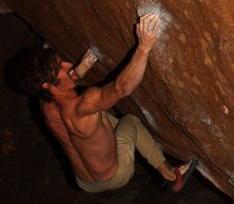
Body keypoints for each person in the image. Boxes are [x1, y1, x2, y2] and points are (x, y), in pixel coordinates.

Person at [16, 12, 197, 194]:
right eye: (60, 67)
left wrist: (82, 68)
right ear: (47, 84)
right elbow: (122, 88)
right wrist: (144, 46)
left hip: (84, 182)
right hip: (116, 174)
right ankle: (172, 177)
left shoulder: (45, 105)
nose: (67, 63)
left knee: (102, 117)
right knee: (130, 122)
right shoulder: (86, 104)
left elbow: (61, 88)